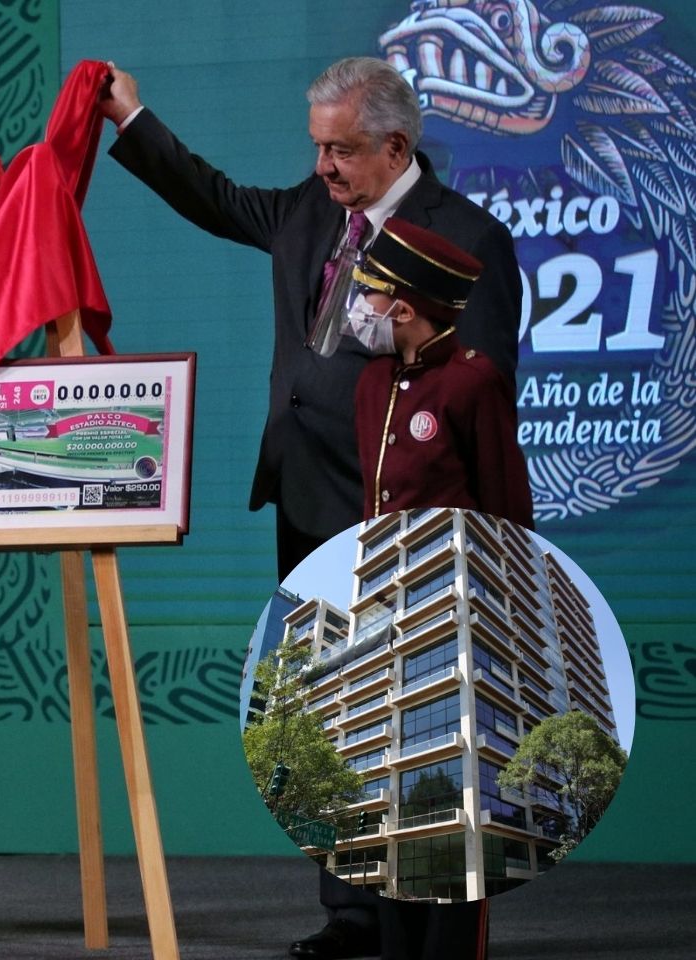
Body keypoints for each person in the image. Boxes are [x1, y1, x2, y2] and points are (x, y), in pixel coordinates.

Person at [99, 56, 515, 960]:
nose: (322, 167)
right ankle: (352, 912)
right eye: (317, 147)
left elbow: (479, 392)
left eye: (341, 151)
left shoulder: (468, 236)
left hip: (403, 520)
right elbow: (214, 198)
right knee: (331, 713)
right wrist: (130, 117)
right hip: (305, 499)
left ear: (395, 146)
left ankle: (429, 913)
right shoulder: (309, 210)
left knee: (420, 721)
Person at [347, 219, 532, 526]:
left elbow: (505, 499)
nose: (359, 304)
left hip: (455, 566)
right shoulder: (374, 380)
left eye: (370, 291)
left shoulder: (471, 380)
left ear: (405, 312)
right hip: (383, 566)